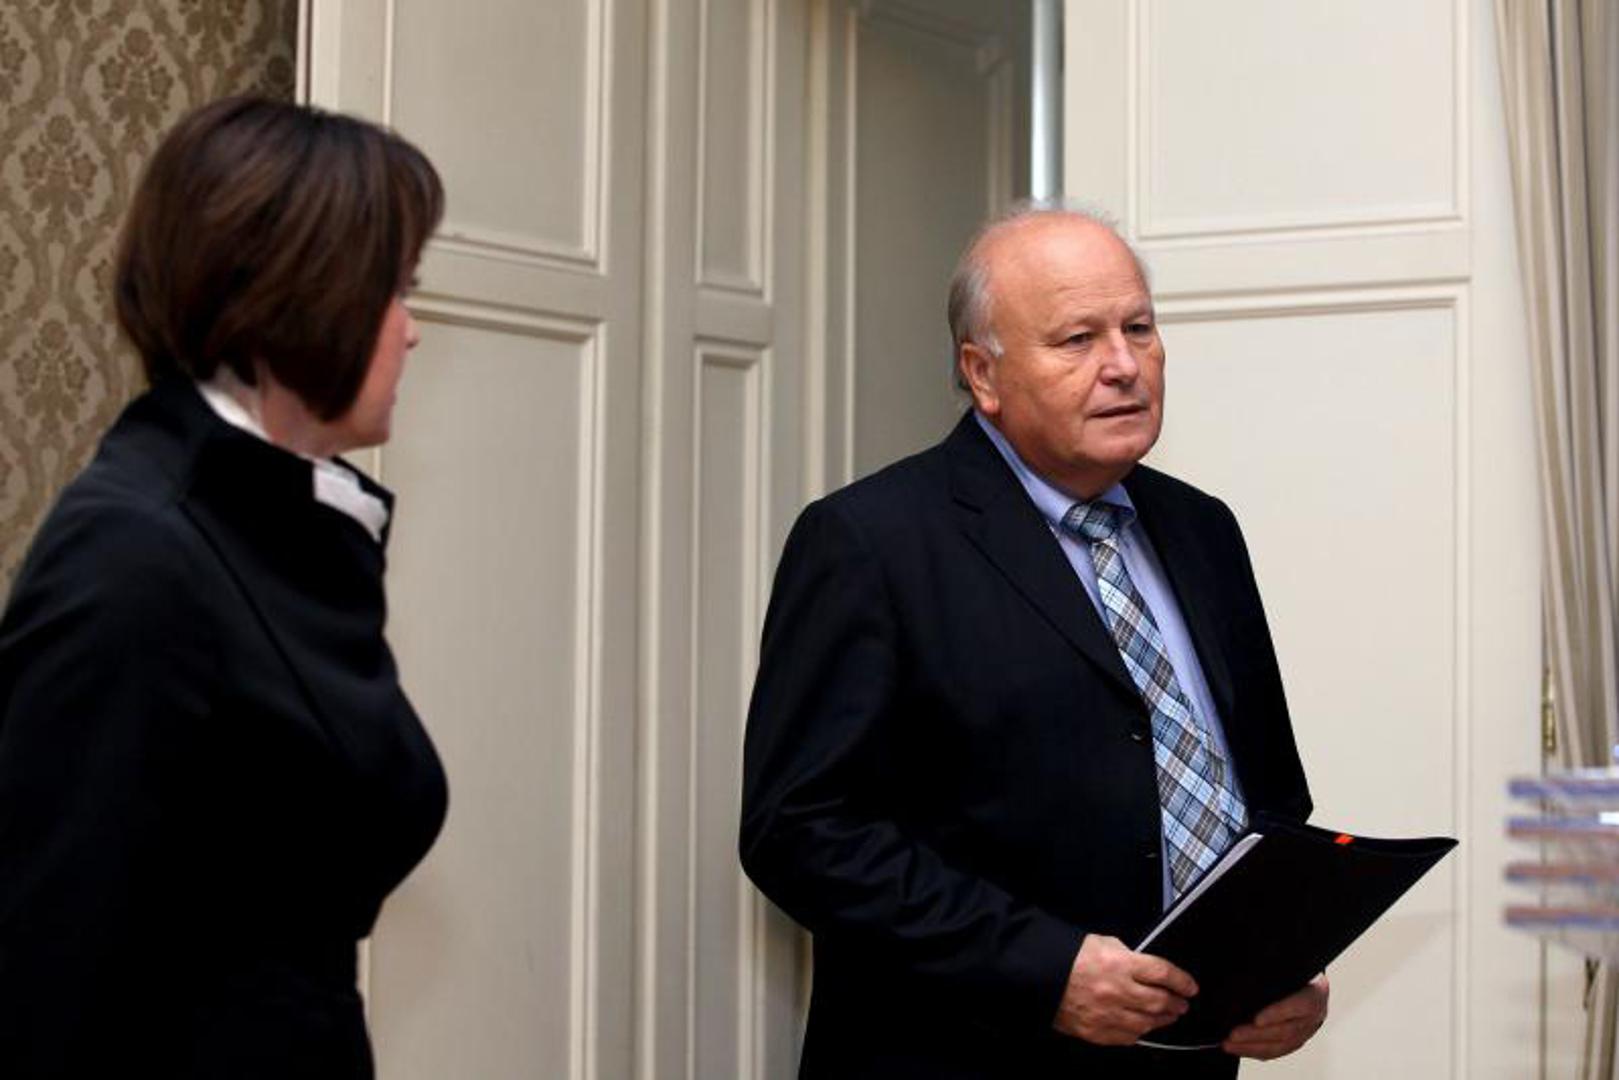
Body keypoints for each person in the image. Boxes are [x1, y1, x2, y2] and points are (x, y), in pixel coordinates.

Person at [740, 204, 1329, 1078]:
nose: (1122, 364)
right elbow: (799, 832)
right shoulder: (869, 542)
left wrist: (1280, 958)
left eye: (1138, 328)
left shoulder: (1202, 529)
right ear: (982, 374)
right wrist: (1043, 970)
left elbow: (1267, 797)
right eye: (1076, 340)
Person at [0, 97, 446, 1078]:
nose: (411, 331)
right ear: (303, 294)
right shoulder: (133, 555)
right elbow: (46, 982)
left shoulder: (280, 524)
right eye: (394, 289)